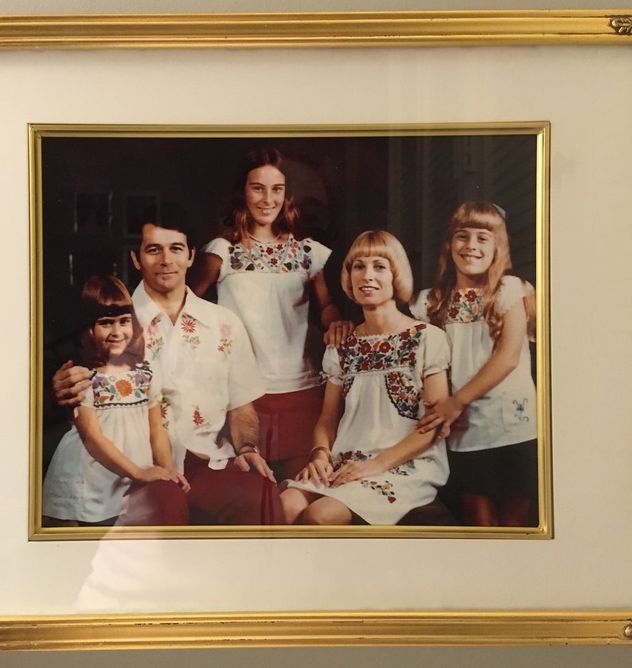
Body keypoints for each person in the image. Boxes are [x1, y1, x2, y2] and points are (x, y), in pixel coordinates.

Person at [53, 213, 285, 526]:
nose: (166, 260)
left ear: (191, 256)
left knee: (262, 497)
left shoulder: (224, 323)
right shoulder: (114, 321)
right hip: (131, 465)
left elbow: (242, 406)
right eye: (153, 250)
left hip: (205, 460)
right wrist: (59, 386)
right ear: (136, 259)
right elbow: (73, 381)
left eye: (176, 249)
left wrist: (246, 447)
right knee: (165, 505)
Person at [191, 148, 348, 481]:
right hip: (243, 394)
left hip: (301, 392)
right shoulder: (222, 251)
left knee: (298, 495)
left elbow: (327, 307)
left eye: (276, 189)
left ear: (287, 195)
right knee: (255, 498)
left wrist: (337, 323)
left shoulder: (309, 253)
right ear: (242, 193)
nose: (267, 198)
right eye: (257, 188)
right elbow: (184, 306)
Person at [281, 230, 452, 525]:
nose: (366, 275)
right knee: (285, 504)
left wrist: (373, 466)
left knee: (319, 516)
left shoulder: (428, 339)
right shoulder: (342, 345)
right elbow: (327, 419)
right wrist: (320, 454)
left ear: (395, 276)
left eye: (379, 266)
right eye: (358, 266)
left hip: (404, 466)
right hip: (347, 461)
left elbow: (434, 427)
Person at [412, 201, 538, 527]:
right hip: (465, 432)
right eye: (462, 236)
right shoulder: (433, 301)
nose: (471, 247)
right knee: (478, 522)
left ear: (498, 246)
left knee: (515, 523)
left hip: (512, 426)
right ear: (449, 243)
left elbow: (508, 357)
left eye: (483, 238)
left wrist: (456, 401)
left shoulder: (510, 289)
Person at [42, 275, 189, 527]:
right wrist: (138, 472)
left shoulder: (145, 372)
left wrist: (168, 470)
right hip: (94, 475)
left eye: (124, 322)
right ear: (88, 328)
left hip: (132, 473)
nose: (117, 332)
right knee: (95, 535)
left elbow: (157, 430)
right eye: (106, 323)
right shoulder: (83, 376)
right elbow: (93, 438)